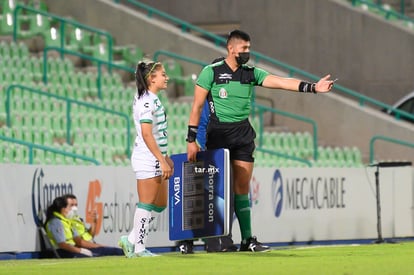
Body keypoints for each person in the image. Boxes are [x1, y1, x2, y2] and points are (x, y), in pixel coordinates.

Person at [186, 30, 335, 252]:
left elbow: (281, 82)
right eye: (244, 48)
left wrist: (313, 87)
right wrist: (191, 139)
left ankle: (248, 240)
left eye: (249, 48)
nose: (247, 52)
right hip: (218, 134)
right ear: (231, 48)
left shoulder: (251, 73)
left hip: (243, 134)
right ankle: (214, 239)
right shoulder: (211, 72)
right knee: (217, 189)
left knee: (242, 188)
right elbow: (197, 106)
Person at [178, 57, 237, 254]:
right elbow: (201, 123)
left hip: (223, 153)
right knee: (200, 198)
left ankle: (220, 242)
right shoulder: (206, 96)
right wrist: (198, 145)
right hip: (208, 152)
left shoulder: (229, 98)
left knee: (222, 199)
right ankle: (187, 241)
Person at [118, 60, 172, 258]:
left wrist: (166, 156)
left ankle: (130, 240)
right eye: (163, 74)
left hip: (156, 157)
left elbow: (158, 133)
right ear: (151, 79)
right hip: (147, 158)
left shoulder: (151, 98)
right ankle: (140, 248)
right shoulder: (147, 101)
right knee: (147, 203)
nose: (167, 77)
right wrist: (161, 159)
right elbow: (147, 134)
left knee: (160, 205)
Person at [44, 196, 124, 258]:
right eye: (70, 207)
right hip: (65, 251)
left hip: (73, 249)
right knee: (98, 255)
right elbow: (62, 244)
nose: (72, 209)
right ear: (63, 208)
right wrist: (80, 250)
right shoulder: (56, 222)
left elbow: (76, 239)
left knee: (112, 252)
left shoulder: (67, 221)